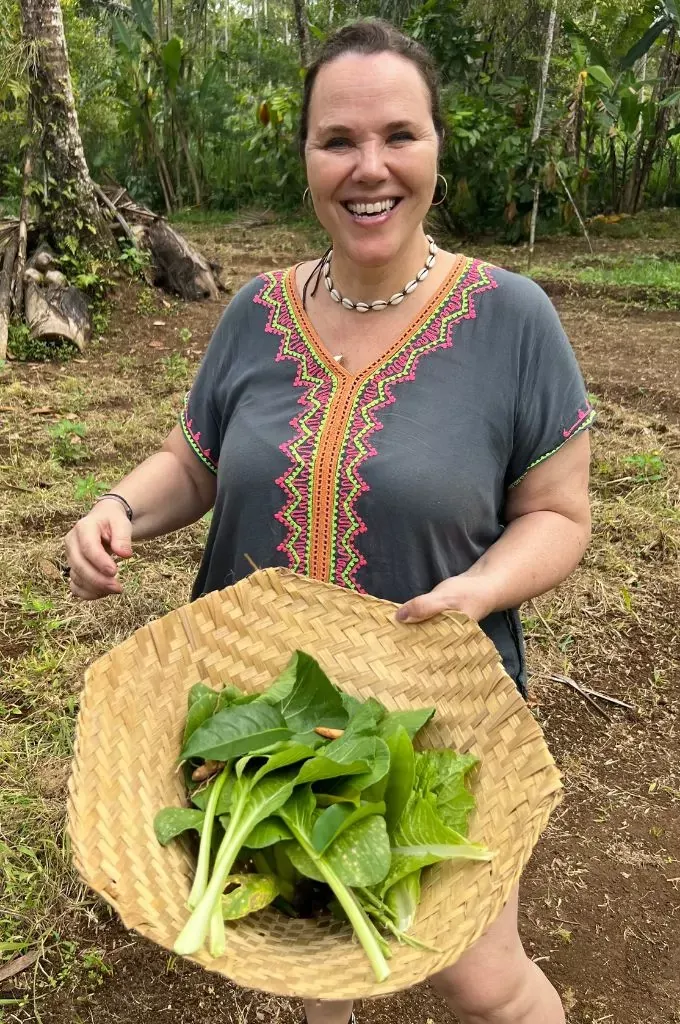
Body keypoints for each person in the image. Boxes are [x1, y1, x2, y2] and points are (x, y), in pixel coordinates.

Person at [65, 19, 593, 1024]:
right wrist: (118, 506)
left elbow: (558, 515)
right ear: (304, 156)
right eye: (336, 140)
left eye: (398, 134)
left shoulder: (509, 318)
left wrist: (477, 590)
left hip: (429, 721)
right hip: (262, 730)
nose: (368, 167)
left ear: (437, 146)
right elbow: (196, 460)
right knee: (311, 967)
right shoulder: (254, 313)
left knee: (481, 977)